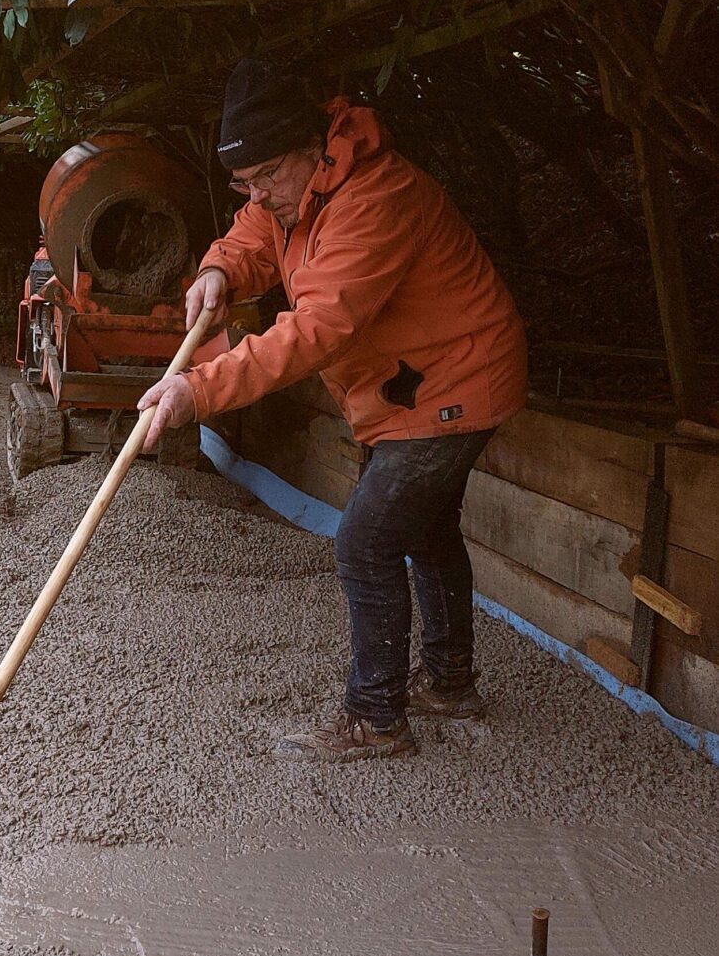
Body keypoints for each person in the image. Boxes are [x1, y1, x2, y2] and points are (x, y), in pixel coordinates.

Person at [139, 58, 528, 762]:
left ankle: (376, 720)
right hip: (410, 382)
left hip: (456, 377)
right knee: (427, 528)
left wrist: (199, 389)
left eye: (266, 177)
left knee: (366, 541)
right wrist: (218, 270)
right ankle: (448, 682)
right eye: (243, 182)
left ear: (312, 149)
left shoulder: (376, 199)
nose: (258, 194)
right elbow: (256, 234)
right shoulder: (295, 190)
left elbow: (315, 330)